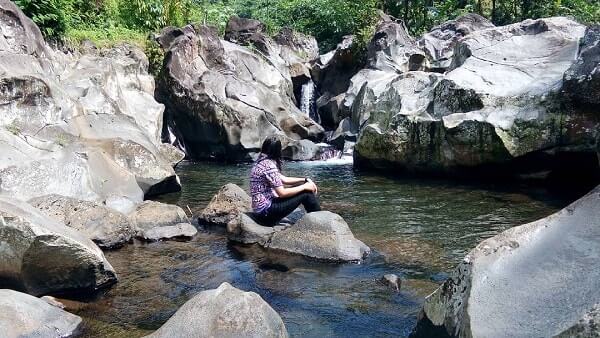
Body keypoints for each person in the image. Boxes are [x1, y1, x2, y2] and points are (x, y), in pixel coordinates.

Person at [250, 136, 321, 226]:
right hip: (266, 213)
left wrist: (305, 180)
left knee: (304, 188)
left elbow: (284, 179)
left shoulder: (261, 162)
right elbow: (282, 193)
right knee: (306, 193)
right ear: (277, 150)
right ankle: (320, 222)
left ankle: (317, 219)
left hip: (261, 211)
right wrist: (305, 187)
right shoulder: (268, 165)